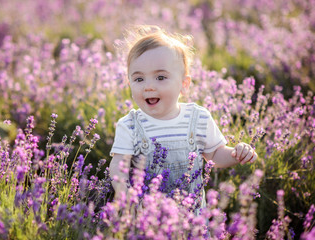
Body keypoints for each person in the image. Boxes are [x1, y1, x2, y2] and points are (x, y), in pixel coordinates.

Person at [109, 25, 257, 213]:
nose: (148, 86)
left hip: (192, 218)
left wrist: (236, 154)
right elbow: (118, 163)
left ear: (184, 84)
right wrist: (124, 192)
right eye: (139, 79)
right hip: (147, 218)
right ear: (129, 83)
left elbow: (214, 155)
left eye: (160, 77)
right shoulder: (129, 125)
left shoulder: (198, 118)